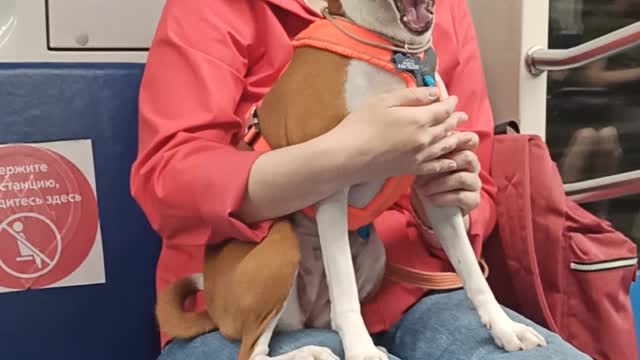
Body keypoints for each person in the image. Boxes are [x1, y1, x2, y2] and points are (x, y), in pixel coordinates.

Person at [130, 0, 591, 359]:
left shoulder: (433, 12)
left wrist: (451, 199)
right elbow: (167, 179)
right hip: (253, 291)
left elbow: (478, 178)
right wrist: (339, 157)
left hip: (406, 287)